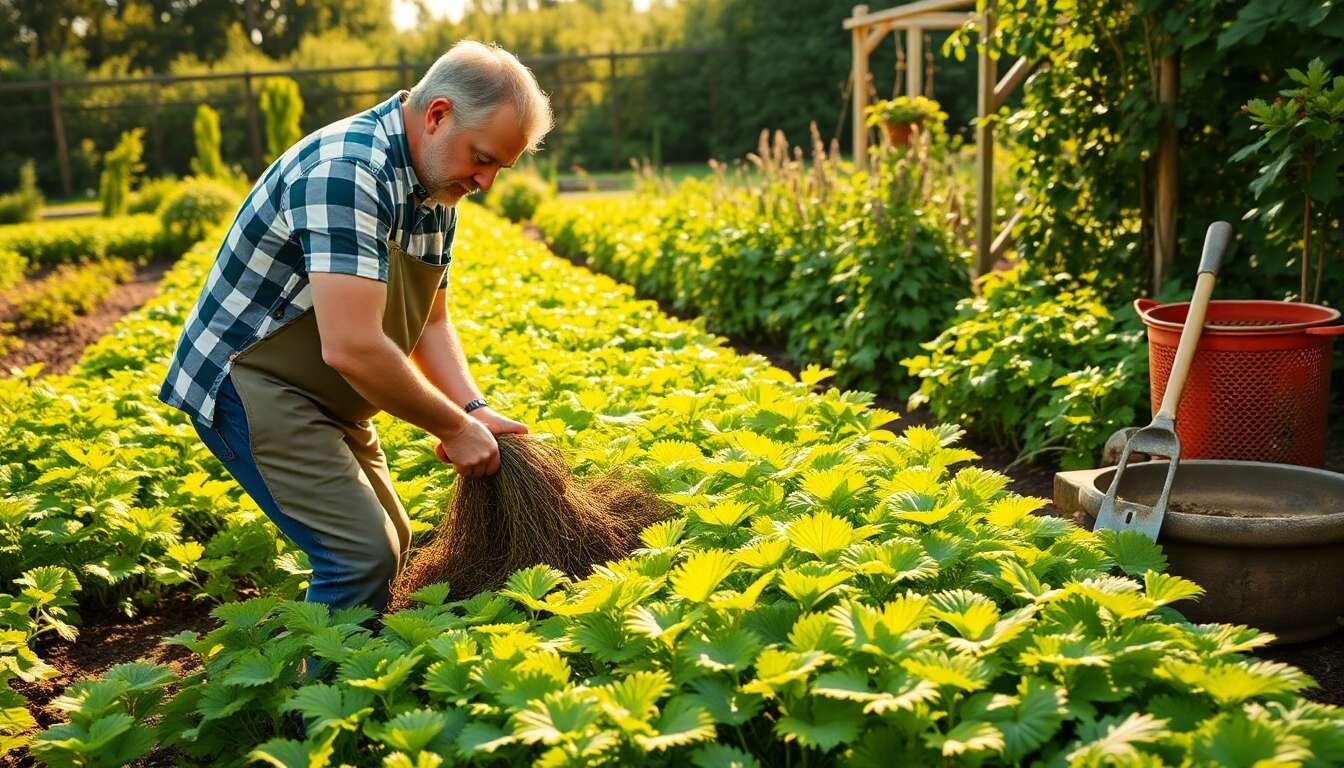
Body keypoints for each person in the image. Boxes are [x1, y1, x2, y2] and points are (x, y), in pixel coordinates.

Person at [159, 41, 554, 614]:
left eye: (499, 166)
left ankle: (355, 677)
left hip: (326, 387)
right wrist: (452, 430)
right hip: (250, 380)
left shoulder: (437, 187)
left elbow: (432, 321)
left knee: (393, 544)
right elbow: (352, 345)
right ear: (438, 115)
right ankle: (316, 703)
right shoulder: (347, 172)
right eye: (483, 157)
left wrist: (472, 411)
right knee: (360, 555)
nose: (486, 181)